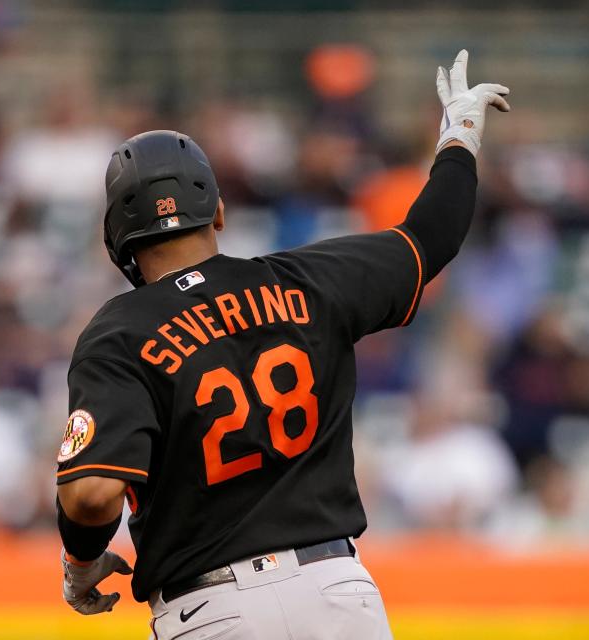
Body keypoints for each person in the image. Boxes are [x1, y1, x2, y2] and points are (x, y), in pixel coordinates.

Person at [54, 50, 509, 639]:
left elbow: (92, 496)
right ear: (216, 210)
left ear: (118, 237)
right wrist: (460, 139)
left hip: (214, 609)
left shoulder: (118, 333)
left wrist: (81, 565)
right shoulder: (307, 279)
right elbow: (432, 238)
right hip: (338, 592)